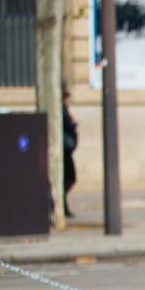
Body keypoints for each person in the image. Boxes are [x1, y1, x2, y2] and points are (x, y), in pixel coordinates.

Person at [63, 83, 78, 218]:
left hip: (66, 150)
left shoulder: (64, 109)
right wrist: (73, 122)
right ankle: (62, 206)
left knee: (68, 179)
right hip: (64, 151)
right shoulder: (62, 110)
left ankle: (63, 206)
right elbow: (68, 126)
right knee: (70, 178)